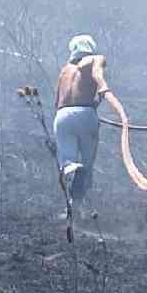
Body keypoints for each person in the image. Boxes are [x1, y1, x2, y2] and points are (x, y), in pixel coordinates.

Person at [53, 34, 108, 226]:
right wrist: (103, 87)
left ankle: (73, 208)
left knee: (67, 162)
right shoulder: (95, 59)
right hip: (86, 114)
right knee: (87, 164)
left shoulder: (64, 71)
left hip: (62, 116)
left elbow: (57, 101)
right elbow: (98, 74)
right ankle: (80, 204)